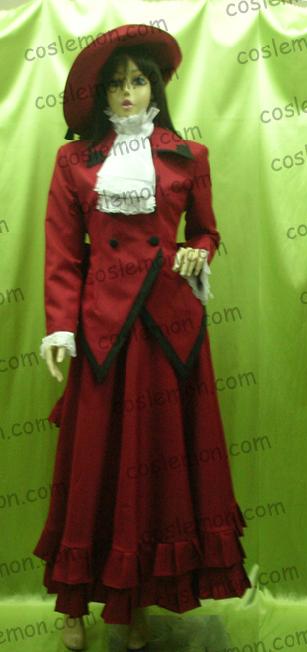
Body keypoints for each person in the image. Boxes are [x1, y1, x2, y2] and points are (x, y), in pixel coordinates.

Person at [35, 24, 250, 651]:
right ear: (100, 93)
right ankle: (74, 602)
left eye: (138, 80)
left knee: (155, 466)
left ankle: (136, 603)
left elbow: (207, 231)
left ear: (154, 86)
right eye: (116, 83)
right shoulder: (74, 161)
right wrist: (60, 327)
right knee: (93, 465)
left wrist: (198, 252)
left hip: (168, 329)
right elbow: (61, 252)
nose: (128, 91)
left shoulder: (190, 156)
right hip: (103, 328)